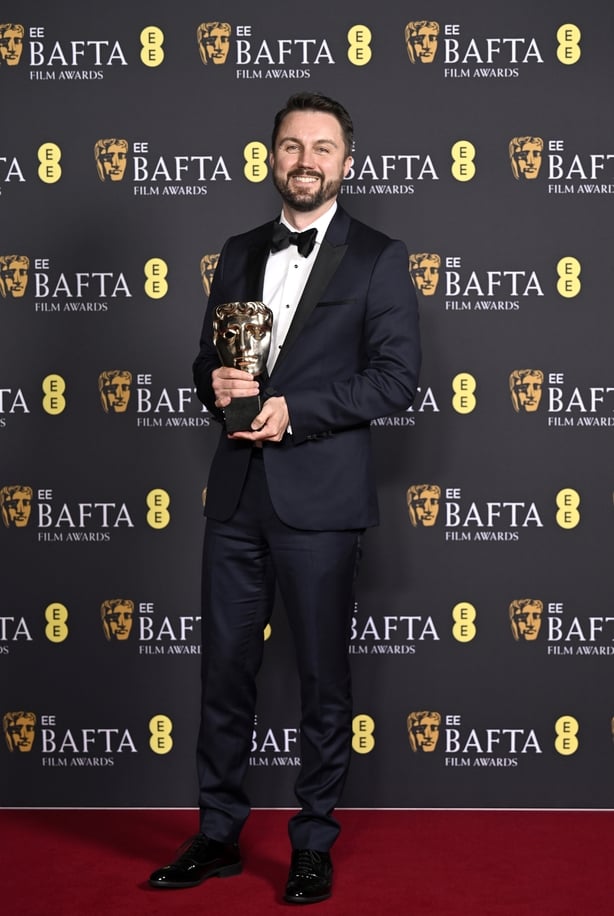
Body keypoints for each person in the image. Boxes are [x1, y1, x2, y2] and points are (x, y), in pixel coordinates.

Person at [149, 91, 421, 904]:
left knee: (321, 679)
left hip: (322, 503)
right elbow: (207, 361)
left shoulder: (379, 256)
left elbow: (396, 379)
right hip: (236, 497)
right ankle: (217, 834)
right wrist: (216, 383)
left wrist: (294, 410)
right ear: (272, 157)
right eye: (292, 146)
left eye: (322, 147)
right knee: (223, 674)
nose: (306, 160)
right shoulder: (238, 250)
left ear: (346, 162)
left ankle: (312, 842)